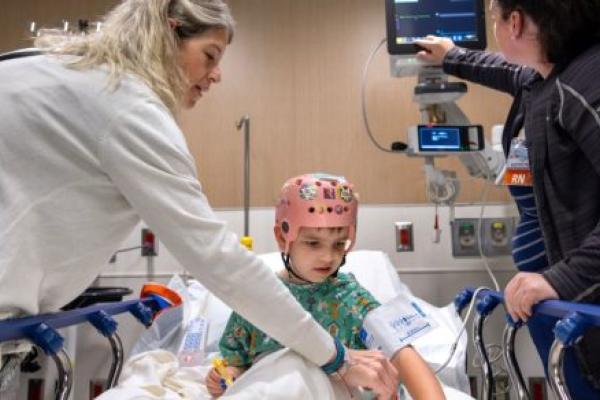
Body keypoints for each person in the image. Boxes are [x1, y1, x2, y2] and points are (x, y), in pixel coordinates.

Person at [0, 1, 399, 397]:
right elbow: (218, 260)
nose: (217, 75)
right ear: (167, 33)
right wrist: (337, 359)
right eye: (210, 55)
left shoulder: (39, 67)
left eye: (337, 241)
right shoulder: (128, 107)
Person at [415, 0, 600, 396]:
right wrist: (453, 57)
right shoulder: (546, 76)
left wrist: (561, 279)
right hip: (559, 300)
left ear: (514, 23)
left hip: (584, 300)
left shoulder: (588, 85)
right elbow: (507, 71)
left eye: (494, 16)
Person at [205, 173, 445, 399]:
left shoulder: (351, 300)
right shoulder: (260, 298)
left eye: (339, 244)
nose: (328, 257)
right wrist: (225, 377)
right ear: (282, 237)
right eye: (313, 243)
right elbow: (236, 364)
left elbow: (404, 357)